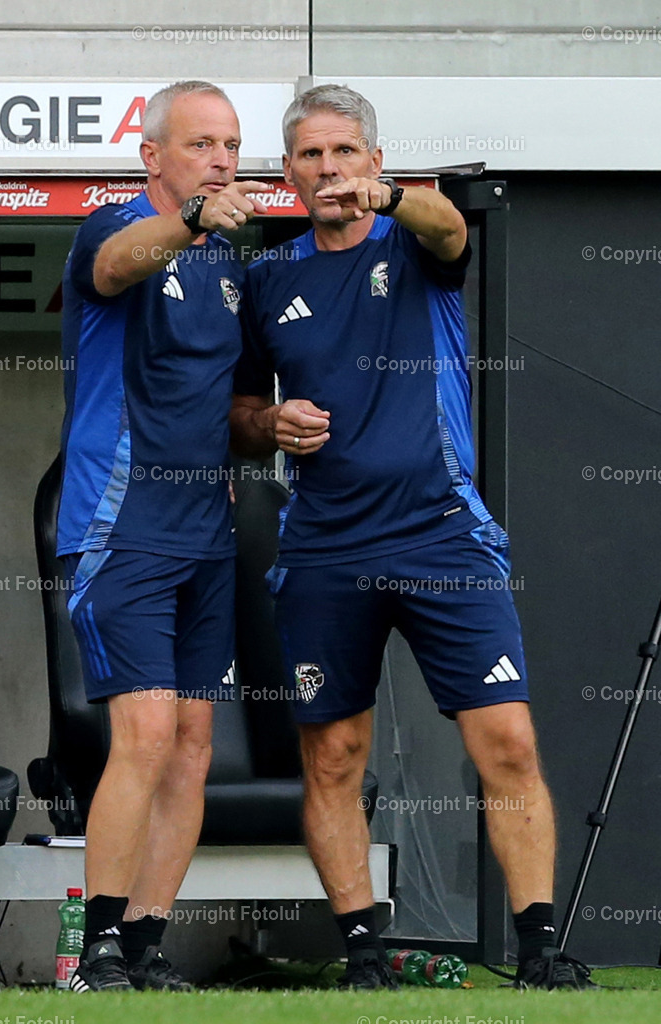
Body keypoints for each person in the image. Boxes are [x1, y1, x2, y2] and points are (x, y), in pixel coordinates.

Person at [230, 84, 594, 991]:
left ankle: (540, 949)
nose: (330, 171)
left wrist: (393, 201)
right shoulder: (269, 279)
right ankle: (362, 951)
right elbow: (235, 409)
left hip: (442, 536)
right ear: (287, 173)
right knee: (333, 753)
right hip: (322, 547)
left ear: (376, 162)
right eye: (311, 156)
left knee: (505, 739)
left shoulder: (416, 239)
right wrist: (269, 426)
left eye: (346, 153)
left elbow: (450, 229)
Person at [57, 80, 268, 992]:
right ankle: (91, 949)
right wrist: (191, 218)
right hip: (120, 524)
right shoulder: (111, 229)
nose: (221, 159)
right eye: (200, 144)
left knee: (191, 742)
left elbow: (228, 409)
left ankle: (143, 948)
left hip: (205, 533)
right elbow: (117, 268)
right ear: (154, 156)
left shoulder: (233, 264)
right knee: (141, 733)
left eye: (230, 145)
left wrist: (275, 424)